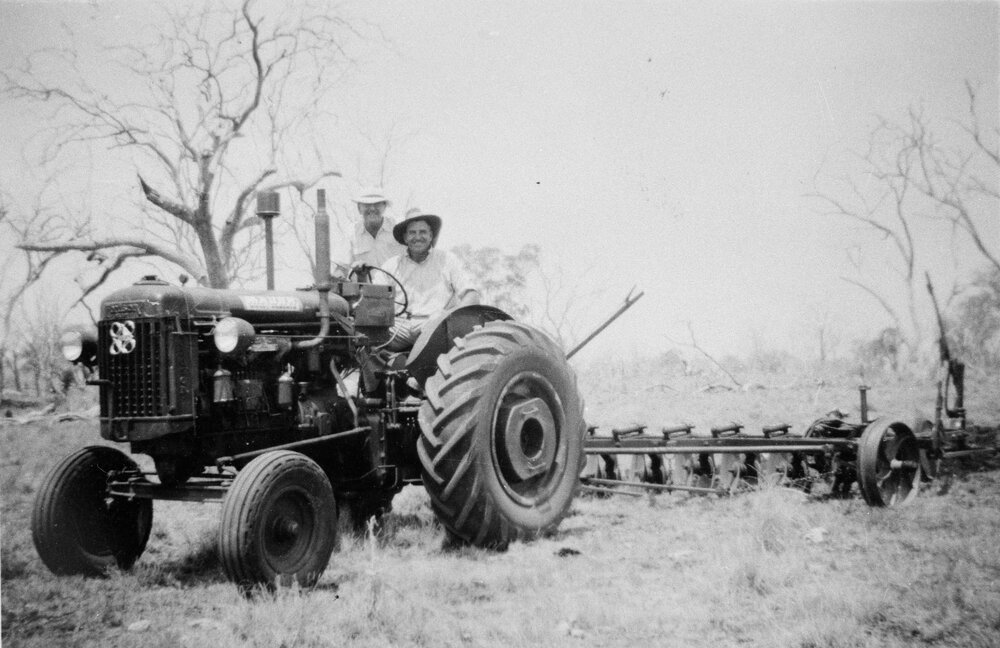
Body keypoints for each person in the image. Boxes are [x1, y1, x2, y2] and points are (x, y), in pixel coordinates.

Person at [376, 210, 481, 351]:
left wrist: (446, 316)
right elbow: (374, 300)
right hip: (398, 328)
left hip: (434, 325)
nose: (418, 237)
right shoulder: (390, 265)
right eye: (412, 232)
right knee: (361, 336)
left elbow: (472, 296)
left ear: (431, 236)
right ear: (405, 237)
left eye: (423, 232)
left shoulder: (448, 260)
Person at [346, 186, 404, 272]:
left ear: (384, 206)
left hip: (396, 284)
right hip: (364, 285)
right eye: (367, 204)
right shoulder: (352, 232)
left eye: (377, 204)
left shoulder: (399, 227)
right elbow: (341, 267)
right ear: (359, 208)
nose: (372, 209)